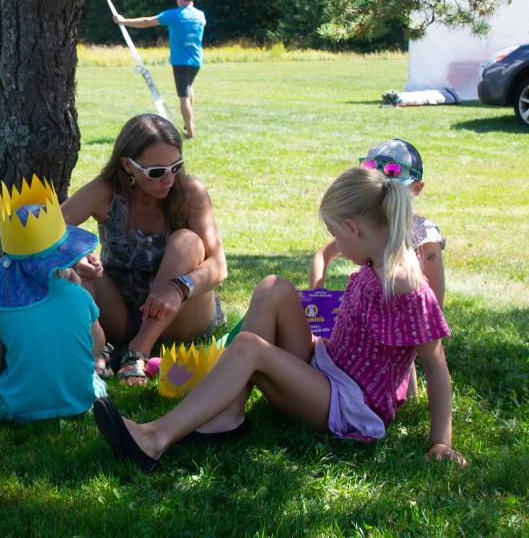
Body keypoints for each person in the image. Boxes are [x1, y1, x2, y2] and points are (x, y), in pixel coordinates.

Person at [92, 166, 466, 472]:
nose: (335, 244)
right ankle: (229, 415)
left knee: (250, 348)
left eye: (336, 233)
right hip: (329, 366)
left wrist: (440, 442)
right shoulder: (375, 262)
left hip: (352, 403)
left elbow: (435, 365)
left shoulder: (403, 285)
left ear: (354, 228)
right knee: (274, 287)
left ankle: (153, 439)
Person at [61, 114, 227, 386]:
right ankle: (95, 347)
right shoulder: (106, 191)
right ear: (128, 165)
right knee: (83, 272)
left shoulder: (190, 192)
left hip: (183, 315)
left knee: (186, 241)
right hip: (123, 313)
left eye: (176, 166)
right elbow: (48, 231)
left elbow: (219, 266)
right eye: (157, 172)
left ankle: (138, 350)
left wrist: (179, 287)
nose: (169, 179)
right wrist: (76, 258)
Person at [0, 176, 108, 421]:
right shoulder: (80, 296)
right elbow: (97, 346)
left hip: (20, 408)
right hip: (81, 400)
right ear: (63, 257)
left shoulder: (3, 306)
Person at [309, 138, 445, 397]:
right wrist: (318, 308)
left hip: (374, 372)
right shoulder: (370, 233)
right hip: (349, 354)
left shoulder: (422, 238)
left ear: (416, 189)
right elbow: (322, 256)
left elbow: (431, 312)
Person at [114, 0, 206, 138]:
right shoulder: (200, 15)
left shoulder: (174, 15)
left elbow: (146, 21)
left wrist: (124, 21)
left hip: (180, 61)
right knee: (189, 87)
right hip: (196, 60)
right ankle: (189, 123)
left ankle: (190, 131)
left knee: (183, 96)